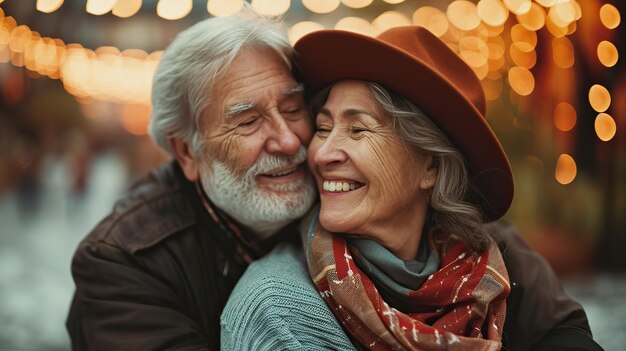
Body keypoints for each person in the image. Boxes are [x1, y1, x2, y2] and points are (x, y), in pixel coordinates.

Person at [221, 27, 603, 350]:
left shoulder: (497, 260)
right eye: (322, 127)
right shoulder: (281, 310)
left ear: (431, 167)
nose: (322, 154)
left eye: (358, 129)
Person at [66, 10, 316, 350]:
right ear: (186, 153)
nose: (288, 141)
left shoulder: (343, 198)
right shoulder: (123, 264)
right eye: (248, 122)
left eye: (292, 109)